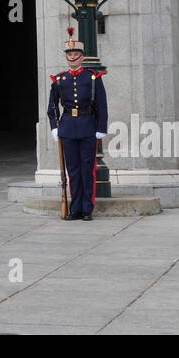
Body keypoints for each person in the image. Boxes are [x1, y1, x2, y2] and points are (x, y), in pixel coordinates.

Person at [47, 33, 109, 222]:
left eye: (76, 54)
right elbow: (52, 106)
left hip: (87, 127)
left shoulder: (92, 78)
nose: (72, 58)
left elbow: (102, 105)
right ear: (66, 57)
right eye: (69, 55)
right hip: (67, 128)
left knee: (87, 169)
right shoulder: (59, 79)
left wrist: (101, 127)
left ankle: (87, 208)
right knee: (72, 170)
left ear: (82, 57)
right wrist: (54, 127)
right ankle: (75, 208)